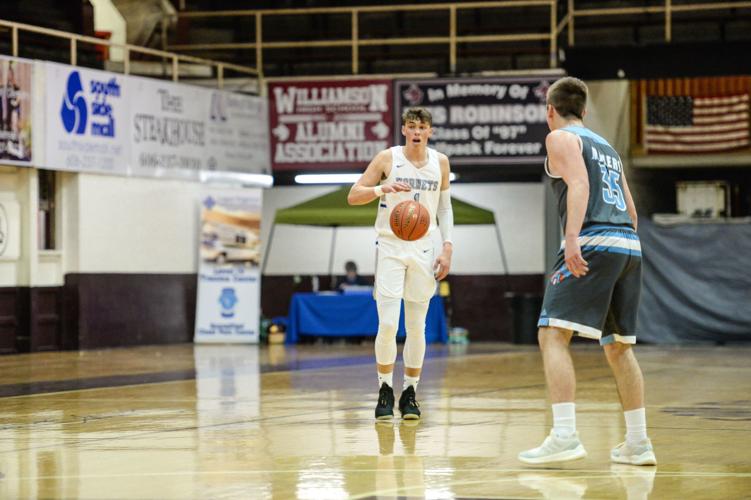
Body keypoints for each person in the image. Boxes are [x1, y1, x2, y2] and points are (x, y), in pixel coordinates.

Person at [518, 77, 657, 466]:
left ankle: (564, 435)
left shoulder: (560, 139)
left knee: (552, 333)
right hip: (628, 244)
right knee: (618, 346)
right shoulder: (608, 147)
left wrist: (573, 237)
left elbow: (578, 184)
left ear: (550, 110)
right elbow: (630, 208)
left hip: (593, 238)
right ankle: (638, 442)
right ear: (584, 109)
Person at [348, 107, 453, 421]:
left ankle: (410, 391)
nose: (417, 131)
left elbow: (445, 209)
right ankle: (384, 388)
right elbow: (353, 195)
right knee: (390, 324)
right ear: (404, 130)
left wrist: (447, 247)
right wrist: (382, 188)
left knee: (418, 326)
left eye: (422, 126)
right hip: (391, 245)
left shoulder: (441, 162)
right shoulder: (387, 158)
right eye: (411, 126)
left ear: (430, 131)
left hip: (424, 246)